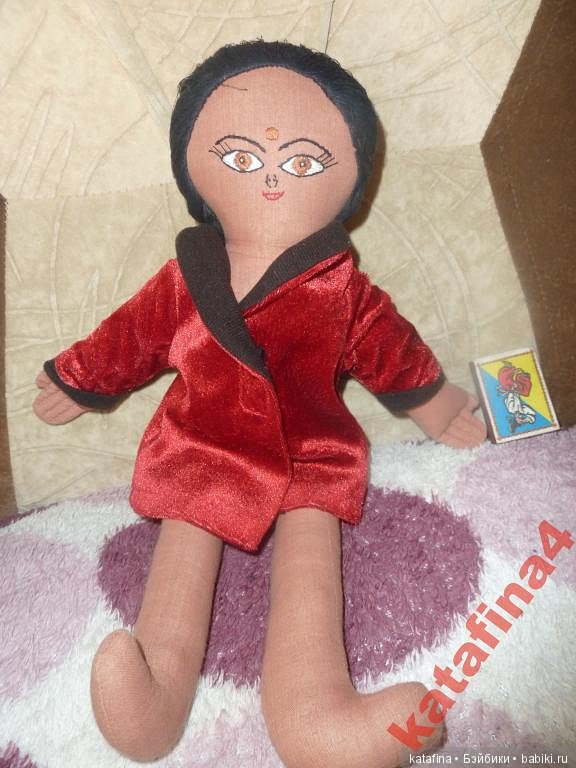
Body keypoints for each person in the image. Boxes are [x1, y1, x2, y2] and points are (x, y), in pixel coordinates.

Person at [34, 40, 486, 767]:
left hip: (311, 450)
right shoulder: (186, 277)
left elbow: (390, 348)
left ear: (351, 180)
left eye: (303, 164)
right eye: (242, 158)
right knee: (185, 548)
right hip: (202, 446)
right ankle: (154, 696)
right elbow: (133, 334)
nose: (272, 176)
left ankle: (319, 718)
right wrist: (78, 377)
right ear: (195, 169)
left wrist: (435, 403)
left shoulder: (341, 288)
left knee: (310, 569)